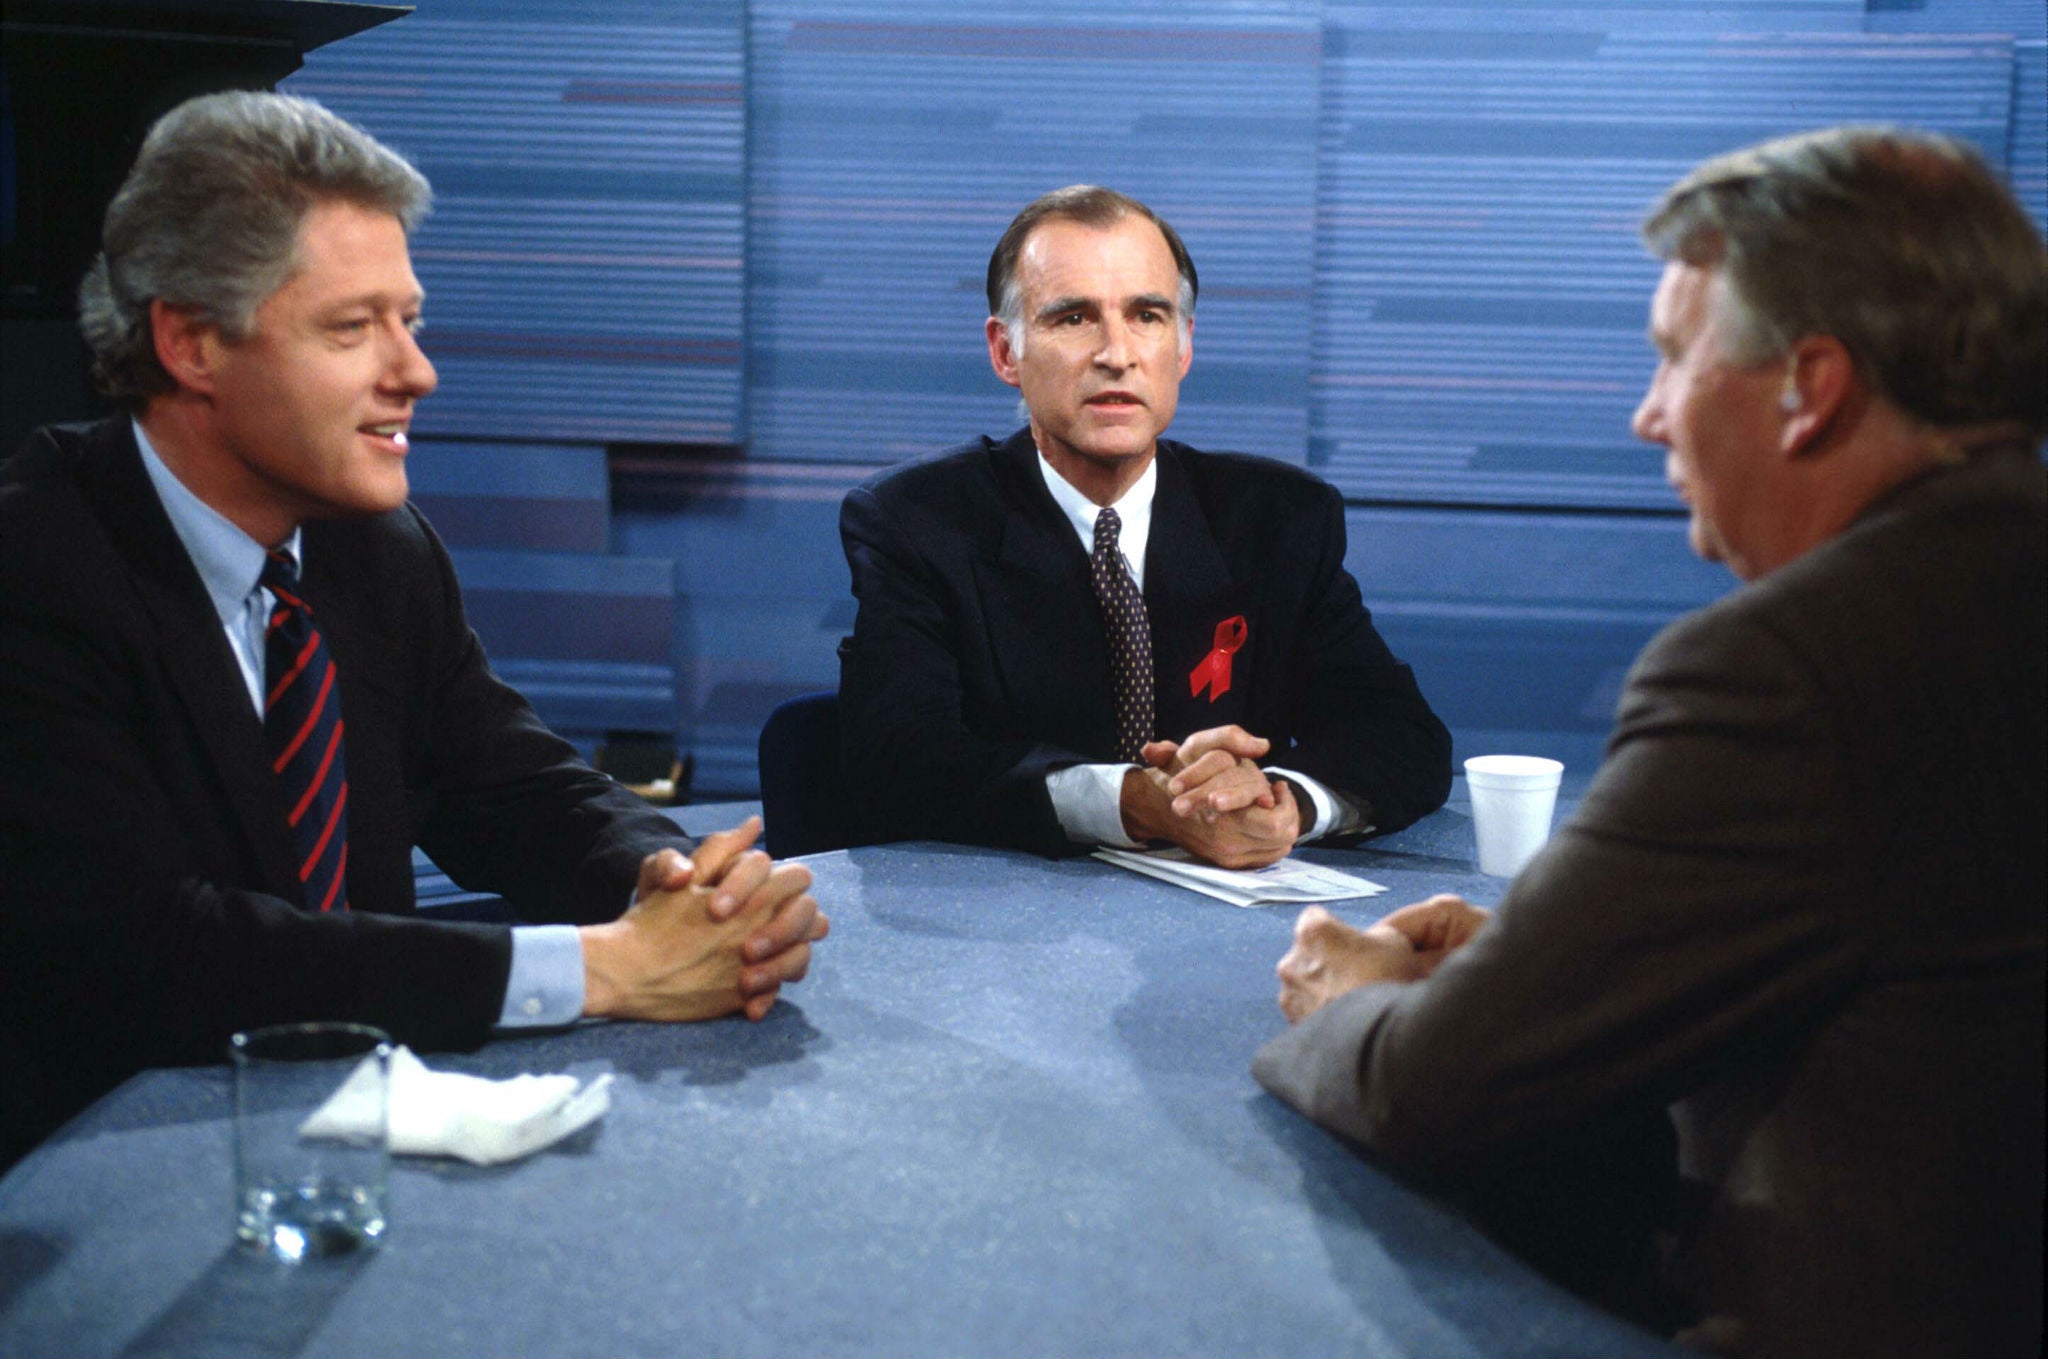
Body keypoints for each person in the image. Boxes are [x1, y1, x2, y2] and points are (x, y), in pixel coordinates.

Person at [1253, 126, 2045, 1359]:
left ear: (1808, 387)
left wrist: (1342, 1006)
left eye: (1674, 358)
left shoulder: (1784, 669)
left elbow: (1426, 1088)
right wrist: (1553, 959)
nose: (1645, 417)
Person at [0, 92, 828, 1169]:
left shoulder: (375, 550)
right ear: (191, 342)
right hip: (90, 1184)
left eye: (411, 319)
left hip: (354, 1147)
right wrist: (607, 969)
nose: (416, 373)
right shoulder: (33, 567)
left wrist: (676, 889)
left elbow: (513, 788)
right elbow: (149, 955)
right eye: (352, 328)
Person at [838, 186, 1451, 868]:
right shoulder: (916, 524)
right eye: (1073, 318)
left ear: (1183, 348)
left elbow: (1405, 737)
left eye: (1147, 316)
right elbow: (896, 763)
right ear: (1006, 352)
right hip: (1006, 935)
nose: (1117, 353)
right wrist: (1133, 801)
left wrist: (1283, 802)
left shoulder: (1280, 522)